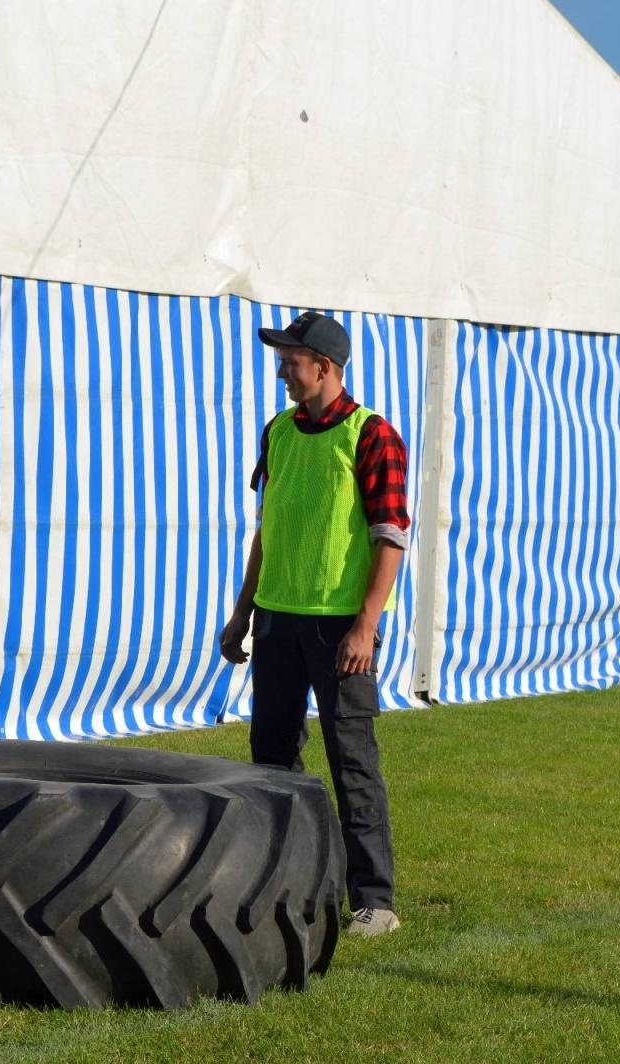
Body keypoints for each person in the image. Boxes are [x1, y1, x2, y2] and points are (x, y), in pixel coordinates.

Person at [218, 311, 410, 938]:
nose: (280, 371)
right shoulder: (277, 432)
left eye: (289, 361)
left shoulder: (373, 435)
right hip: (276, 620)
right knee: (271, 759)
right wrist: (243, 612)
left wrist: (365, 626)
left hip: (338, 631)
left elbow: (391, 539)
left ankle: (375, 901)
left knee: (350, 758)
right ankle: (288, 880)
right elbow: (266, 531)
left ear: (322, 366)